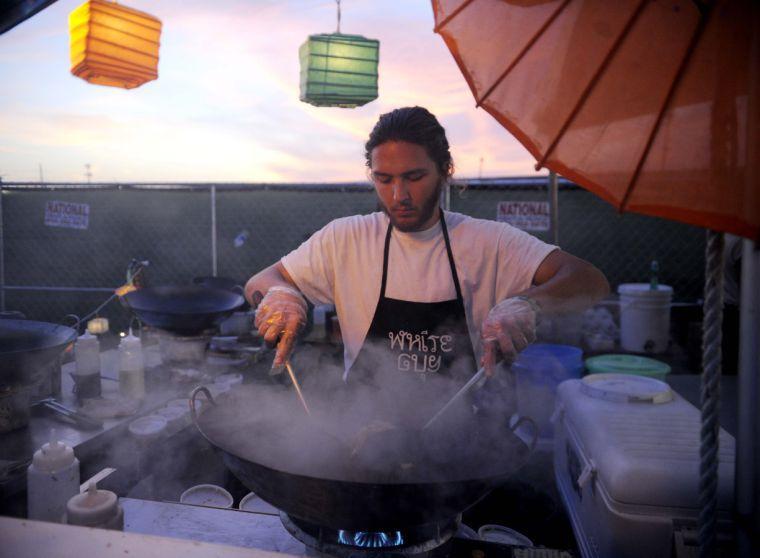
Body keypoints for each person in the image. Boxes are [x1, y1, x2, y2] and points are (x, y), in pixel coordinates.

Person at [245, 106, 609, 390]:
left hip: (461, 428)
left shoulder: (489, 241)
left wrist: (529, 304)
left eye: (414, 177)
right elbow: (261, 280)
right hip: (362, 430)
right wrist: (279, 293)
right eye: (384, 180)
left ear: (445, 170)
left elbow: (589, 280)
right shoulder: (346, 239)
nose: (398, 195)